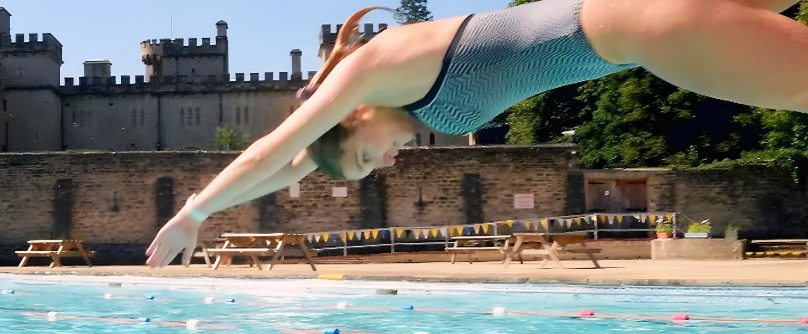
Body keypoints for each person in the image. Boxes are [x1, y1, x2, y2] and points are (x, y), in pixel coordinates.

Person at [146, 0, 808, 267]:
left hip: (646, 26)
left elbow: (273, 148)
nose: (382, 166)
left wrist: (191, 211)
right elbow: (289, 167)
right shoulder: (404, 112)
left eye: (362, 158)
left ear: (351, 117)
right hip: (643, 27)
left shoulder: (376, 68)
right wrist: (217, 212)